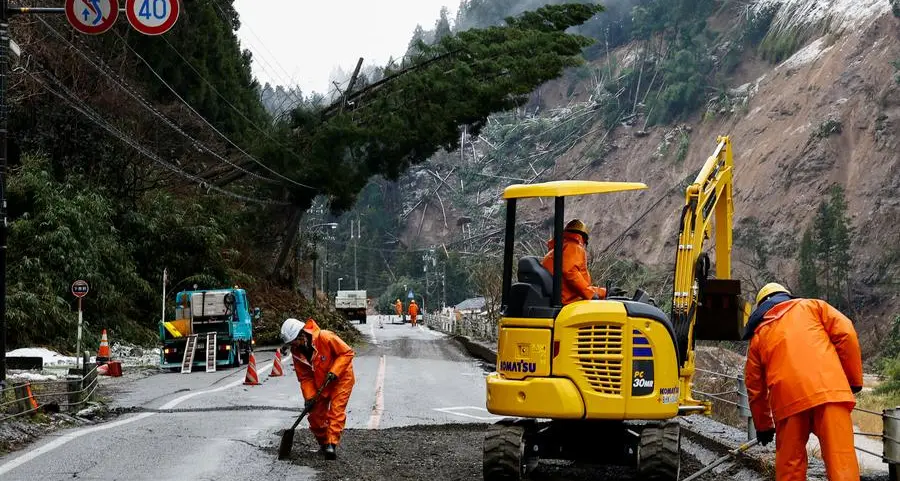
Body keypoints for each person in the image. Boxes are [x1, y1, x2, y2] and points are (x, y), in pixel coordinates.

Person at [743, 283, 863, 481]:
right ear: (786, 296)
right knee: (842, 464)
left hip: (788, 403)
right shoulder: (814, 307)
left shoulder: (758, 337)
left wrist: (764, 426)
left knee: (790, 469)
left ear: (761, 307)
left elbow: (755, 387)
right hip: (830, 393)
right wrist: (853, 379)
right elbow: (846, 334)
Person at [280, 317, 356, 460]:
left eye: (293, 342)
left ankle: (331, 445)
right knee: (315, 415)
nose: (293, 346)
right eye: (290, 344)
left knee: (336, 410)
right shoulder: (297, 353)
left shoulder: (325, 337)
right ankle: (324, 443)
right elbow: (305, 377)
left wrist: (335, 371)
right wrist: (309, 398)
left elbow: (347, 353)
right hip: (321, 382)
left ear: (301, 334)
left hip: (341, 378)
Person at [541, 219, 607, 305]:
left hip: (562, 296)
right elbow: (571, 273)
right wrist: (590, 294)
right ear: (583, 238)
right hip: (567, 301)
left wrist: (603, 292)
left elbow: (576, 284)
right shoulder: (573, 247)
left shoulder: (559, 248)